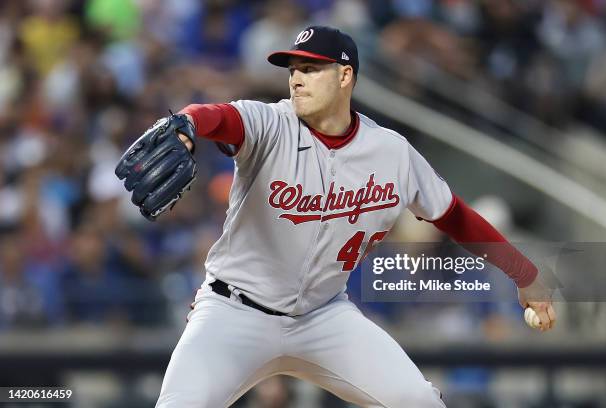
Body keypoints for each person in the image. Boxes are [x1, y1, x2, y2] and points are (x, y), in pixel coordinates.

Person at [154, 25, 556, 407]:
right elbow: (221, 116)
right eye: (294, 70)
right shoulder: (272, 124)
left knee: (417, 400)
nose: (296, 79)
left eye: (310, 69)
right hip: (234, 311)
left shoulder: (391, 152)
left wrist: (524, 273)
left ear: (345, 75)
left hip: (323, 317)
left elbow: (454, 216)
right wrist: (187, 123)